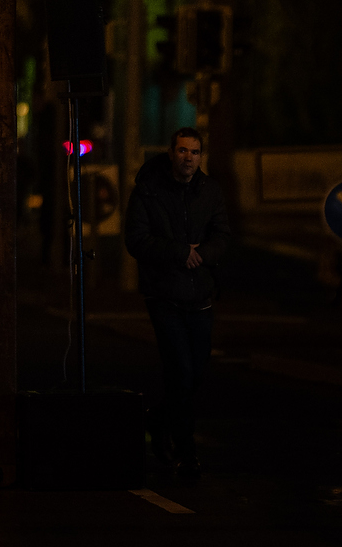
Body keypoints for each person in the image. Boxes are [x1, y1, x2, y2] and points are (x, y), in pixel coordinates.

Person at [124, 126, 230, 480]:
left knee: (196, 373)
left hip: (200, 295)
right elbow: (136, 239)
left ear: (201, 156)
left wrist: (203, 255)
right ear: (171, 153)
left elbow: (222, 235)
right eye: (183, 151)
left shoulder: (210, 191)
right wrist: (179, 252)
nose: (188, 158)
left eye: (195, 152)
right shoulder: (149, 190)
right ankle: (186, 451)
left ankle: (158, 419)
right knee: (180, 371)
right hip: (164, 294)